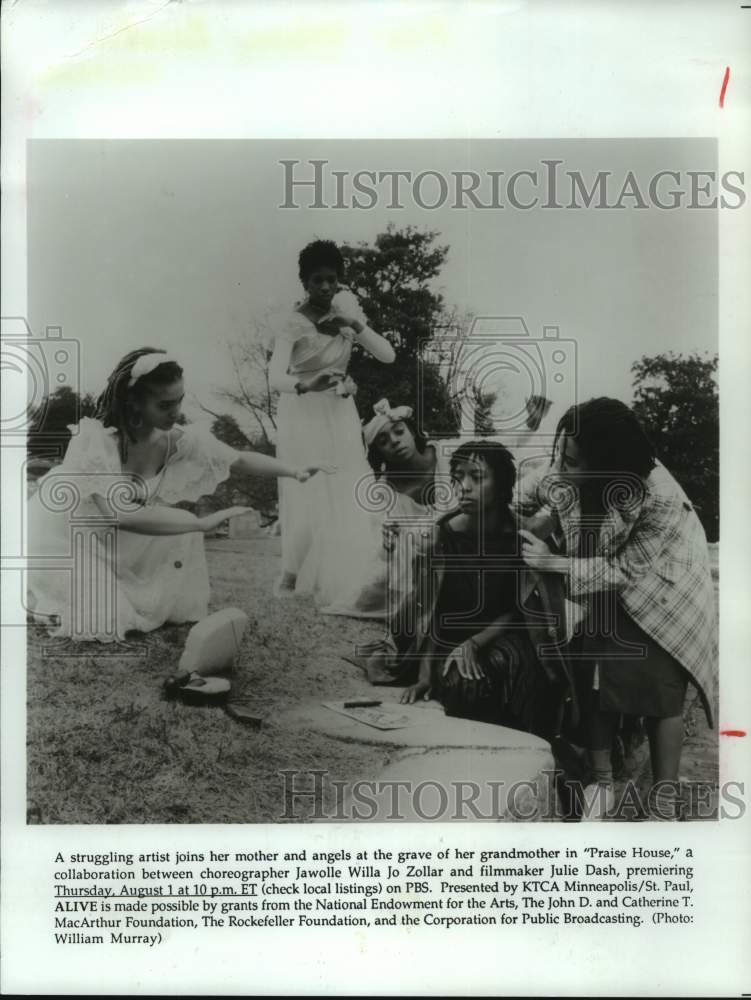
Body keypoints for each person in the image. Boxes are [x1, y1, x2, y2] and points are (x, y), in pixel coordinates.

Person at [27, 348, 328, 643]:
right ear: (134, 402)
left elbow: (237, 458)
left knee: (175, 538)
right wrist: (199, 523)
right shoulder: (95, 441)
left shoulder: (178, 441)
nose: (176, 412)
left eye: (179, 400)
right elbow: (118, 515)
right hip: (72, 536)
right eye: (164, 405)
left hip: (123, 543)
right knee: (101, 620)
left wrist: (293, 470)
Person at [517, 397, 716, 820]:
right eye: (561, 455)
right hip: (601, 577)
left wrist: (553, 562)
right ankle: (600, 782)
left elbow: (628, 569)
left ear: (607, 464)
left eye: (572, 462)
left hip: (666, 587)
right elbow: (515, 499)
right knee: (594, 671)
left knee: (661, 689)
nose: (560, 467)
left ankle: (664, 800)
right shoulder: (565, 469)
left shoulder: (657, 495)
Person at [397, 440, 567, 740]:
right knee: (466, 686)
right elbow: (429, 612)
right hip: (449, 636)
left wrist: (475, 643)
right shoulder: (443, 535)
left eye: (477, 477)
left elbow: (519, 610)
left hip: (502, 632)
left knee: (527, 679)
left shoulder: (521, 536)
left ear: (501, 487)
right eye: (459, 477)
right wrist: (424, 675)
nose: (464, 486)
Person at [268, 239, 395, 608]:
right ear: (304, 283)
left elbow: (387, 355)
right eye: (317, 280)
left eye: (332, 280)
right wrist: (307, 385)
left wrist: (354, 324)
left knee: (348, 485)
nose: (326, 288)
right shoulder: (290, 322)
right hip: (303, 411)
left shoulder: (347, 311)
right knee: (308, 491)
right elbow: (275, 377)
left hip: (340, 412)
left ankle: (349, 574)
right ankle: (291, 574)